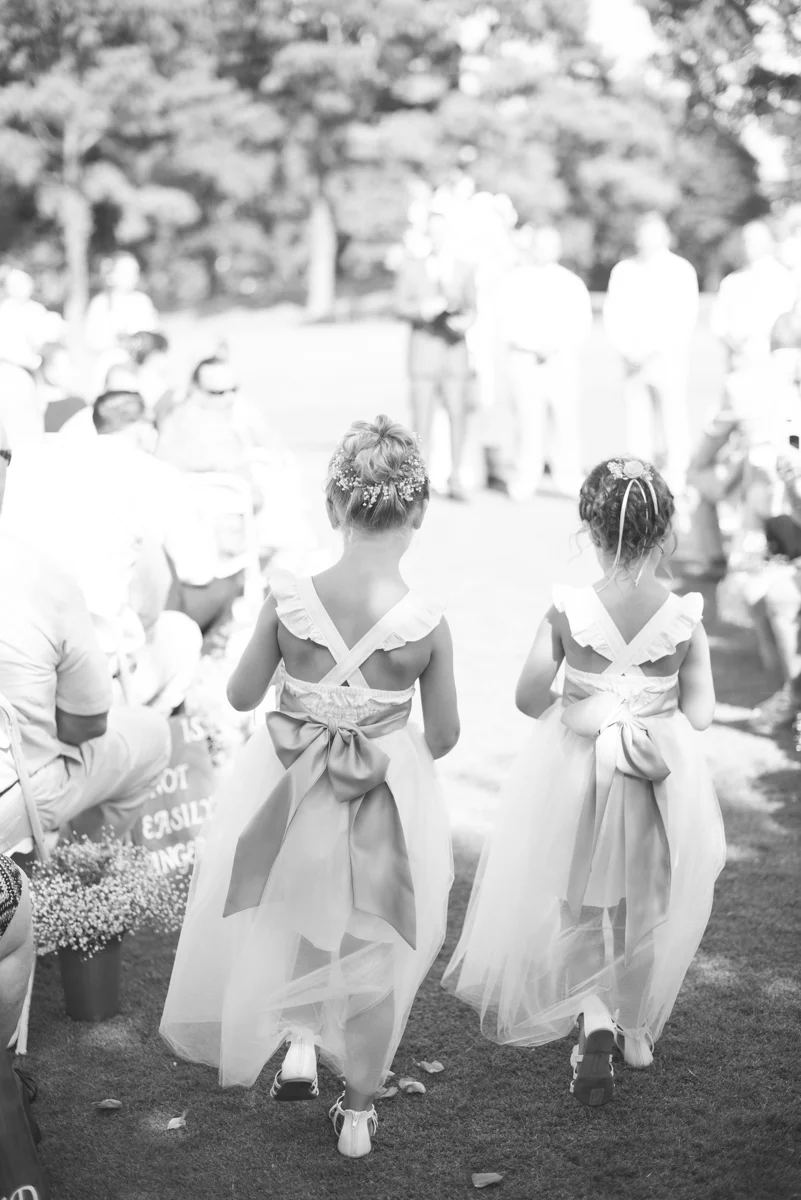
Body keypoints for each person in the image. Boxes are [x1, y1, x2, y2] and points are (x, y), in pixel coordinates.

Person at [161, 416, 457, 1158]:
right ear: (419, 512)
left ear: (333, 506)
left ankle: (296, 1040)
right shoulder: (425, 623)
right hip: (381, 795)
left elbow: (239, 695)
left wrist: (308, 699)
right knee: (373, 948)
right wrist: (383, 729)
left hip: (292, 789)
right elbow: (447, 734)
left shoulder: (289, 600)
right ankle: (356, 1117)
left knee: (297, 913)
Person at [443, 457, 725, 1105]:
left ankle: (592, 1012)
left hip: (576, 772)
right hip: (653, 778)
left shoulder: (568, 611)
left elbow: (525, 697)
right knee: (638, 907)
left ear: (591, 533)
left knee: (578, 903)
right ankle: (636, 1032)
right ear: (663, 533)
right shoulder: (683, 617)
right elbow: (703, 713)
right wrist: (646, 704)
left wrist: (588, 709)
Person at [0, 418, 170, 840]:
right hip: (16, 797)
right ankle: (78, 862)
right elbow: (86, 725)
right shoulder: (42, 577)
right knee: (153, 737)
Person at [157, 356, 317, 569]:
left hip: (213, 527)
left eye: (234, 390)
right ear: (195, 390)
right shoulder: (193, 426)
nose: (230, 398)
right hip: (215, 530)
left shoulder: (204, 416)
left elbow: (272, 443)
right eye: (218, 393)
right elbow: (249, 488)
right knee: (292, 529)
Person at [494, 225, 593, 498]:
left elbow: (581, 323)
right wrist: (532, 346)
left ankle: (569, 477)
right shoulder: (515, 281)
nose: (545, 251)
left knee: (566, 423)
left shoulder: (570, 282)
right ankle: (526, 477)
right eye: (540, 245)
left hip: (561, 361)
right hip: (525, 361)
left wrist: (555, 346)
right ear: (532, 247)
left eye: (550, 245)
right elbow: (505, 322)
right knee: (527, 424)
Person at [603, 213, 699, 487]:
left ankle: (677, 475)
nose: (648, 240)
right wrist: (627, 349)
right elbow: (613, 313)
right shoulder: (624, 271)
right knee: (636, 421)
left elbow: (684, 318)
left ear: (666, 237)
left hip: (667, 359)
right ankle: (638, 477)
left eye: (655, 234)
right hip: (632, 361)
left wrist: (653, 349)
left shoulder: (680, 270)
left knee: (673, 418)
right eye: (644, 234)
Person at [394, 210, 477, 500]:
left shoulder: (464, 268)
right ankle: (419, 482)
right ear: (427, 235)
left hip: (454, 353)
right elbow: (399, 306)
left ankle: (456, 478)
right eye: (434, 232)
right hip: (424, 354)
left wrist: (464, 322)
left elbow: (473, 308)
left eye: (443, 232)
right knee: (421, 422)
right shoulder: (411, 268)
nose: (439, 237)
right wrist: (423, 310)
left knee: (458, 418)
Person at [711, 221, 796, 381]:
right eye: (746, 240)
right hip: (740, 365)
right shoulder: (732, 282)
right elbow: (719, 325)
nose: (748, 245)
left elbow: (790, 325)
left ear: (769, 243)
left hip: (776, 367)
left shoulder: (785, 280)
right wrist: (736, 347)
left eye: (754, 240)